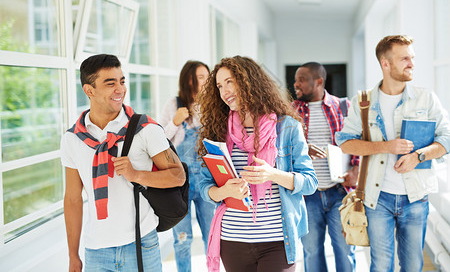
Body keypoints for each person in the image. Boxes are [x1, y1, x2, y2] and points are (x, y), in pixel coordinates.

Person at [61, 54, 185, 272]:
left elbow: (178, 175)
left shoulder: (145, 128)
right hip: (96, 251)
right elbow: (72, 199)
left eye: (122, 81)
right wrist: (73, 255)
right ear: (89, 90)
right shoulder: (72, 139)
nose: (120, 89)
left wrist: (136, 174)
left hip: (140, 244)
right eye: (110, 84)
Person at [336, 35, 450, 272]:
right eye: (405, 58)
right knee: (380, 266)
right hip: (378, 199)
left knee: (412, 265)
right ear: (385, 64)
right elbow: (345, 143)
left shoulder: (426, 98)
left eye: (413, 57)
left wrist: (419, 156)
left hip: (416, 197)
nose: (412, 63)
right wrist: (387, 146)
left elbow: (446, 138)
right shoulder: (363, 102)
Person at [196, 55, 318, 272]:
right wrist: (224, 190)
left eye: (230, 82)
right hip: (232, 240)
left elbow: (309, 182)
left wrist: (272, 174)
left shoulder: (287, 127)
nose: (224, 92)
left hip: (278, 241)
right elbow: (205, 189)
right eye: (219, 86)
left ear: (249, 81)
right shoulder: (218, 131)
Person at [292, 62, 358, 272]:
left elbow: (357, 140)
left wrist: (355, 169)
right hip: (307, 195)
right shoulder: (291, 112)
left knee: (345, 250)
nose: (296, 84)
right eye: (296, 79)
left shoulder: (344, 107)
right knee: (311, 252)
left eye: (301, 79)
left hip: (340, 192)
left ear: (319, 81)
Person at [159, 60, 216, 272]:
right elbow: (159, 141)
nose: (205, 82)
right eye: (201, 77)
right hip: (178, 184)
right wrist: (175, 122)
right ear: (189, 79)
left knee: (212, 237)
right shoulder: (174, 104)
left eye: (207, 77)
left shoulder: (213, 105)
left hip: (207, 182)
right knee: (182, 240)